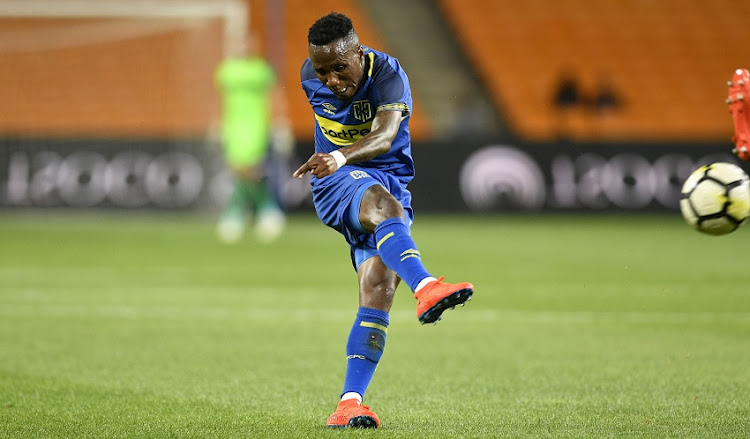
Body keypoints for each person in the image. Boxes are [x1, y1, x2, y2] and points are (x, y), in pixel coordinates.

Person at [293, 12, 475, 429]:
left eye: (340, 68)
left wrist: (338, 153)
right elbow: (340, 131)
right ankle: (428, 287)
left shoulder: (390, 75)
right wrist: (336, 161)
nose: (331, 81)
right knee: (382, 205)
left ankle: (349, 403)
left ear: (360, 52)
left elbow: (386, 135)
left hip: (380, 176)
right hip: (335, 179)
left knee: (378, 287)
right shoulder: (310, 75)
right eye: (323, 71)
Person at [214, 34, 288, 244]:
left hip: (256, 125)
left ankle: (245, 213)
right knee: (238, 169)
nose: (245, 47)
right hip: (233, 126)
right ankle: (261, 212)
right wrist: (217, 123)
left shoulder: (261, 70)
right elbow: (219, 99)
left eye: (249, 43)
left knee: (250, 168)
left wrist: (281, 121)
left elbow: (275, 97)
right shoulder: (226, 70)